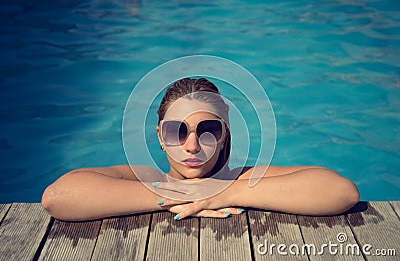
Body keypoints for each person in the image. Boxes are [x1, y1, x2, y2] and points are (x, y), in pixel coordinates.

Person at [41, 78, 360, 221]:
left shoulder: (240, 178)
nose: (192, 145)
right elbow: (57, 198)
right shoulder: (147, 177)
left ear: (224, 135)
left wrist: (222, 194)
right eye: (177, 131)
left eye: (208, 130)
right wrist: (180, 195)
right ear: (160, 135)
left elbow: (341, 192)